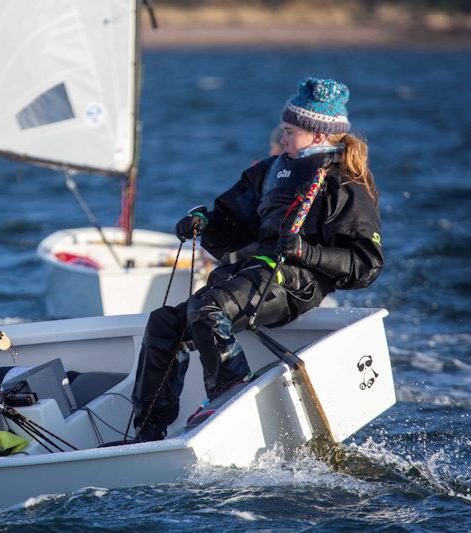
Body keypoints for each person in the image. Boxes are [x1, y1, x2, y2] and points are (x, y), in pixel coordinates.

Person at [131, 77, 384, 442]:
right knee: (164, 324)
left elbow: (366, 263)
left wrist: (304, 251)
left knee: (207, 309)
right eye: (283, 131)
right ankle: (148, 432)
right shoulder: (269, 172)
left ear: (317, 135)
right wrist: (204, 223)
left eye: (290, 131)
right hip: (255, 271)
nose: (282, 139)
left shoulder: (345, 185)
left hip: (296, 282)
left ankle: (230, 394)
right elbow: (232, 220)